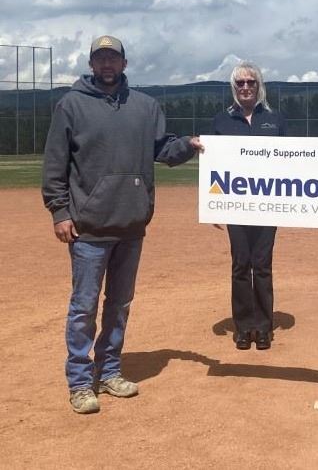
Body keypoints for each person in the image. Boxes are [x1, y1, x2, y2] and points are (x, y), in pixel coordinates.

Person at [42, 35, 203, 414]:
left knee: (119, 304)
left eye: (113, 58)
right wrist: (59, 212)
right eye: (101, 58)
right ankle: (81, 382)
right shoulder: (71, 104)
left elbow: (162, 148)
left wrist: (190, 145)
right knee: (84, 307)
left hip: (131, 224)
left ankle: (110, 370)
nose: (107, 64)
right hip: (88, 228)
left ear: (124, 63)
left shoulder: (145, 106)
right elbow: (55, 164)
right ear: (92, 64)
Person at [212, 62, 287, 351]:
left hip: (267, 205)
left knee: (263, 264)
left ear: (259, 86)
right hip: (235, 205)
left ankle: (264, 326)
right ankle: (244, 327)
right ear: (234, 87)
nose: (245, 87)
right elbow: (213, 167)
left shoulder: (275, 119)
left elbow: (288, 163)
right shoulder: (221, 121)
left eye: (251, 82)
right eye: (240, 83)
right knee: (241, 264)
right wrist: (215, 206)